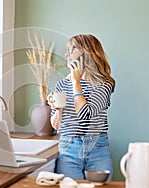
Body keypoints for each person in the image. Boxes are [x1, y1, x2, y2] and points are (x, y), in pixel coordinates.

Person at [48, 34, 115, 180]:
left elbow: (86, 114)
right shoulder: (61, 84)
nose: (66, 54)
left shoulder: (104, 84)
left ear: (87, 52)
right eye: (67, 50)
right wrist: (58, 109)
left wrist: (76, 82)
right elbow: (56, 125)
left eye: (72, 49)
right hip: (68, 148)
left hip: (97, 148)